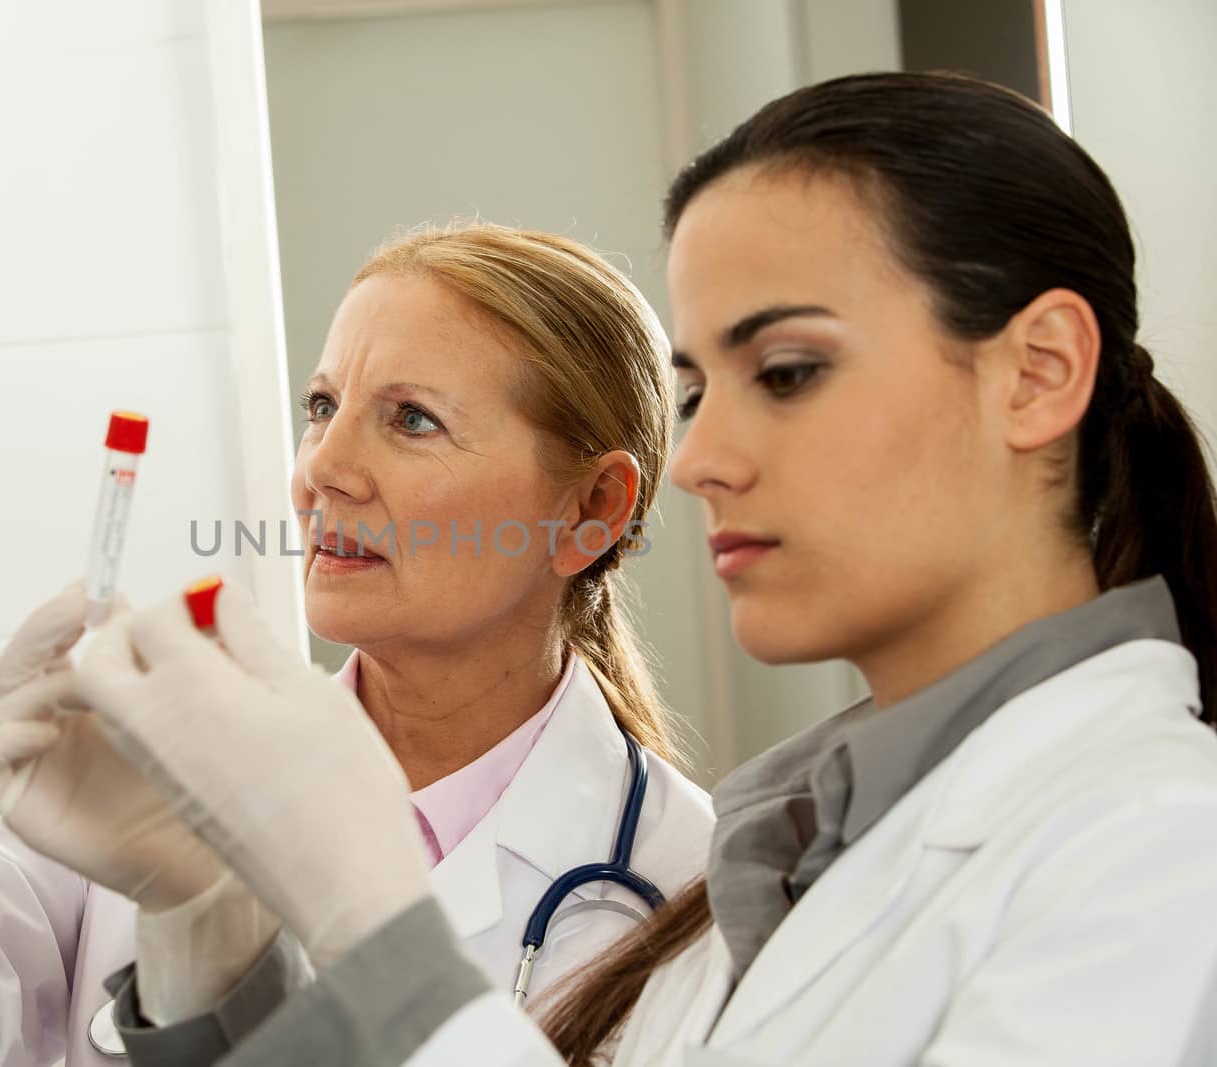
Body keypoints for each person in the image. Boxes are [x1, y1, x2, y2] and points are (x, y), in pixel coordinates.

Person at [64, 72, 1217, 1066]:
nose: (700, 460)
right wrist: (205, 936)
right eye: (702, 390)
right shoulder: (777, 876)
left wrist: (370, 918)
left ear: (1036, 372)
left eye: (788, 370)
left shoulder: (1160, 845)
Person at [0, 225, 717, 1064]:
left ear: (587, 509)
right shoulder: (171, 782)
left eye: (411, 418)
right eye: (322, 404)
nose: (321, 468)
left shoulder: (688, 889)